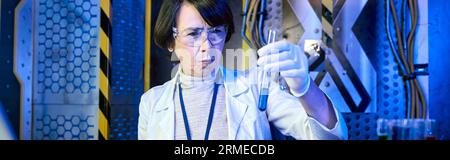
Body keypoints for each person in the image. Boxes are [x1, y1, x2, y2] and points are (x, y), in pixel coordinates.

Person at [138, 0, 347, 140]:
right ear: (170, 41)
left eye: (216, 32)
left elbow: (331, 135)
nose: (206, 45)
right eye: (193, 34)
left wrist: (305, 89)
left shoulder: (255, 88)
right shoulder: (152, 102)